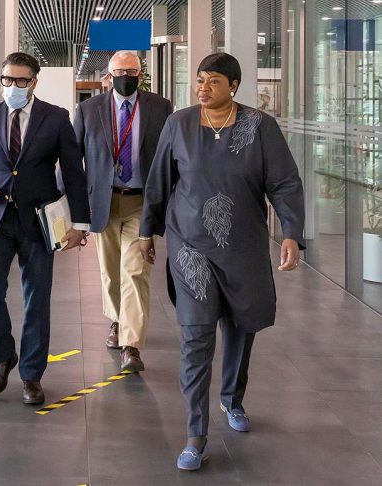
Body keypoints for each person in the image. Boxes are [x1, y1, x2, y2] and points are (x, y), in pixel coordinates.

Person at [138, 53, 305, 471]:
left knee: (240, 327)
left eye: (213, 81)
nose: (203, 87)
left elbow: (284, 182)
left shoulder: (259, 126)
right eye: (199, 80)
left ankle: (232, 398)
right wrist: (146, 232)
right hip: (190, 245)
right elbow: (160, 180)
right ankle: (196, 433)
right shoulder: (179, 124)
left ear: (233, 85)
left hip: (243, 246)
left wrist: (291, 233)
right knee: (196, 335)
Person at [0, 52, 90, 405]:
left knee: (37, 300)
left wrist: (80, 224)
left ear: (34, 82)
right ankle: (4, 357)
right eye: (7, 80)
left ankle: (32, 375)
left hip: (39, 222)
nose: (13, 87)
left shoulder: (56, 118)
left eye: (21, 81)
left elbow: (75, 176)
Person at [74, 50, 172, 372]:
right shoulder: (88, 110)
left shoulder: (160, 108)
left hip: (141, 201)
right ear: (108, 76)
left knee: (135, 270)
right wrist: (73, 212)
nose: (125, 77)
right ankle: (116, 320)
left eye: (132, 71)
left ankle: (131, 345)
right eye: (119, 71)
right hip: (102, 201)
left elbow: (168, 158)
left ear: (140, 74)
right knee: (109, 270)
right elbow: (74, 162)